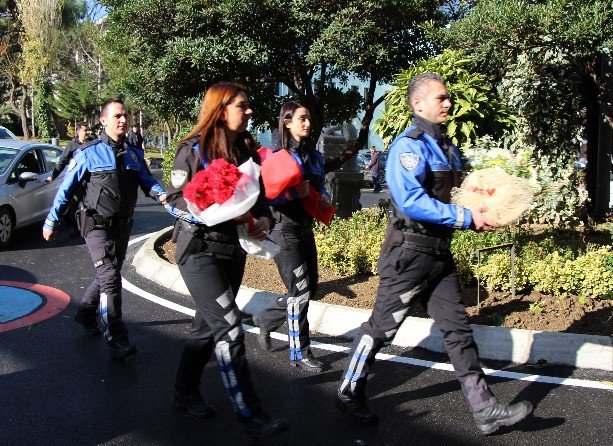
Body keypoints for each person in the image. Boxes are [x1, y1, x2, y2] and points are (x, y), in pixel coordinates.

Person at [335, 73, 533, 435]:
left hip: (439, 255)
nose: (447, 103)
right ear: (418, 104)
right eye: (440, 98)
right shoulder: (408, 147)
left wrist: (492, 198)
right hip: (408, 254)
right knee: (381, 329)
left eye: (448, 98)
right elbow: (412, 202)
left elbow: (464, 192)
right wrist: (466, 217)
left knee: (458, 331)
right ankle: (349, 389)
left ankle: (485, 410)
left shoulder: (448, 148)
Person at [164, 82, 288, 439]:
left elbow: (259, 198)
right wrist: (209, 211)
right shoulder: (193, 149)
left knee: (206, 328)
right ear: (221, 109)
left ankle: (183, 392)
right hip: (198, 252)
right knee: (230, 327)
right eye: (243, 106)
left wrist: (263, 217)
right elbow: (175, 199)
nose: (250, 111)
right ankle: (251, 414)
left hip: (232, 252)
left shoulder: (247, 148)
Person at [43, 98, 166, 360]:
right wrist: (51, 221)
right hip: (95, 225)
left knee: (107, 275)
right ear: (103, 121)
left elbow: (148, 182)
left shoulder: (134, 154)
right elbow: (65, 191)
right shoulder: (88, 153)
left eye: (125, 116)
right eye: (117, 116)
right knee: (110, 278)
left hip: (123, 226)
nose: (123, 120)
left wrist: (163, 196)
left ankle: (85, 312)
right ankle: (116, 338)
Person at [252, 101, 330, 372]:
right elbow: (266, 197)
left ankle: (265, 318)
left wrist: (325, 201)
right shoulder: (276, 156)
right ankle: (300, 352)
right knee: (301, 292)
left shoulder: (315, 157)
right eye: (302, 119)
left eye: (309, 118)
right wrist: (290, 196)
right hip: (283, 229)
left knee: (311, 288)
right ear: (287, 122)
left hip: (305, 228)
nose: (307, 123)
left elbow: (320, 188)